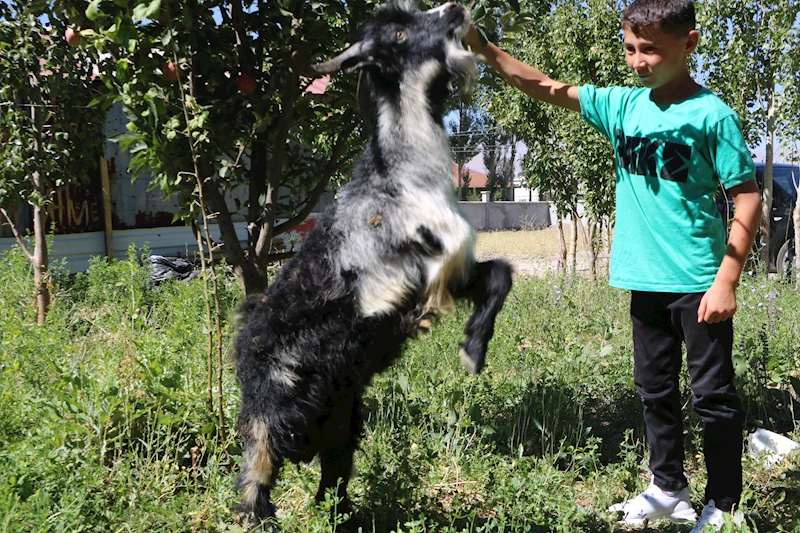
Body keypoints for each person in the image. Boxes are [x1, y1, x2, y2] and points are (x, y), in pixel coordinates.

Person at [464, 0, 762, 531]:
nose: (638, 61)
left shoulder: (711, 114)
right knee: (654, 391)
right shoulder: (623, 106)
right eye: (630, 48)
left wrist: (727, 280)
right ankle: (669, 488)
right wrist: (486, 50)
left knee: (712, 396)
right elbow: (547, 88)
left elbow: (747, 198)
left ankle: (726, 503)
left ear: (688, 45)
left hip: (699, 283)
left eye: (652, 49)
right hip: (643, 279)